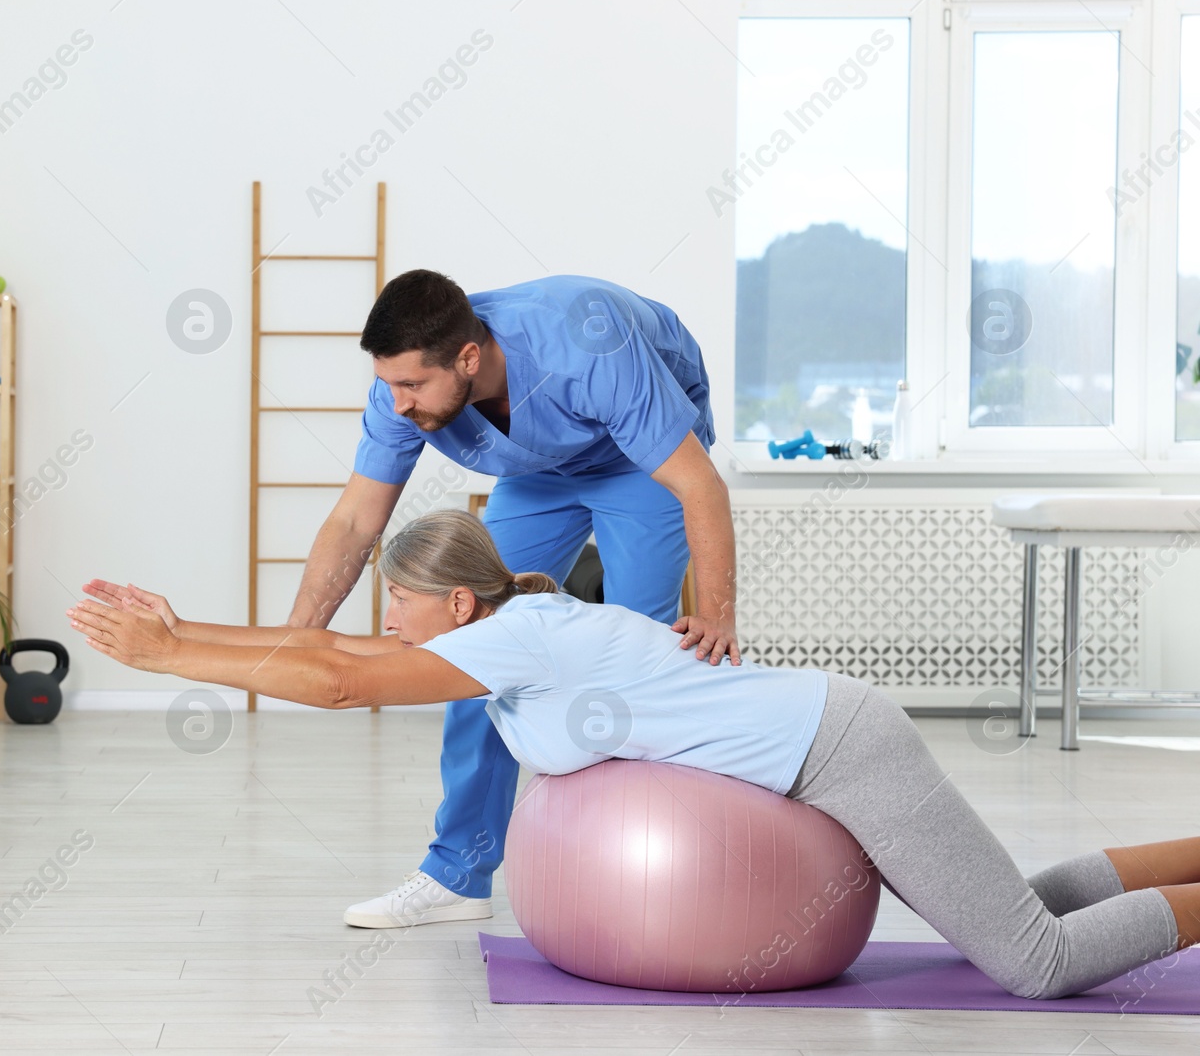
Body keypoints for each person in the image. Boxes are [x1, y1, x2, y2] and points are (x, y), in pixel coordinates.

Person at [68, 509, 1199, 1001]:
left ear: (452, 600)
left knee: (1032, 960)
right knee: (1017, 904)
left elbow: (338, 679)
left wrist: (170, 662)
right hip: (828, 736)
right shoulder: (510, 622)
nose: (390, 623)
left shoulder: (512, 635)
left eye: (400, 606)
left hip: (837, 747)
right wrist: (182, 631)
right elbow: (332, 649)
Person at [283, 269, 739, 927]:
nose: (398, 402)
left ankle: (637, 869)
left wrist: (719, 616)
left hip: (639, 460)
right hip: (539, 471)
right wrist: (296, 638)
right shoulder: (404, 391)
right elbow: (357, 520)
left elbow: (701, 487)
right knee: (471, 650)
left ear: (468, 358)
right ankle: (458, 875)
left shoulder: (587, 346)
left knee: (634, 664)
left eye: (412, 384)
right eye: (389, 383)